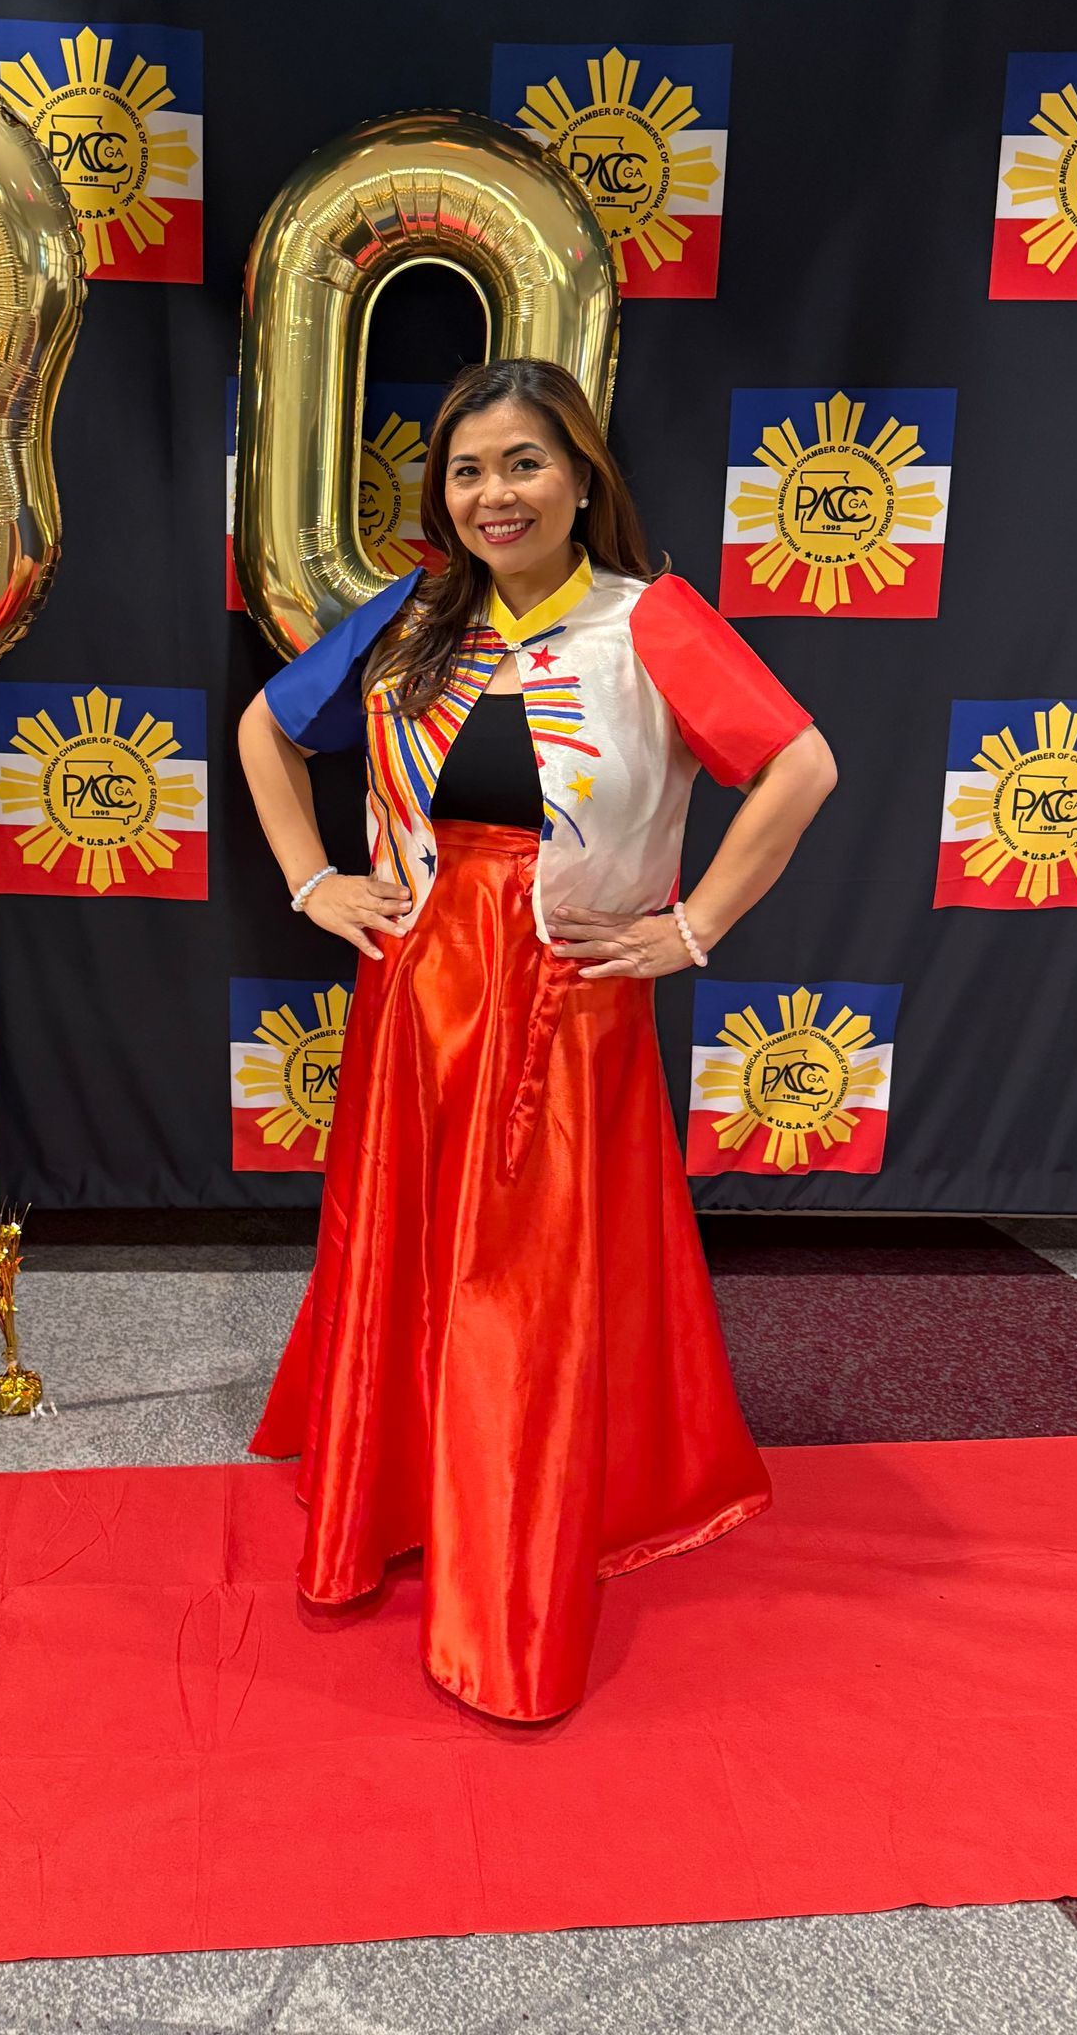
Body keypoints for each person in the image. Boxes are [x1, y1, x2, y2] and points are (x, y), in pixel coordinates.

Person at [237, 357, 836, 1723]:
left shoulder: (651, 623)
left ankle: (510, 1584)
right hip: (414, 993)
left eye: (521, 463)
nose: (492, 494)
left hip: (562, 1005)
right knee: (410, 1259)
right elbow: (268, 736)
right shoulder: (407, 621)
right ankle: (397, 1502)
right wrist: (312, 881)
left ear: (580, 477)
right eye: (465, 470)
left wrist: (691, 930)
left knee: (525, 1293)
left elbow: (800, 763)